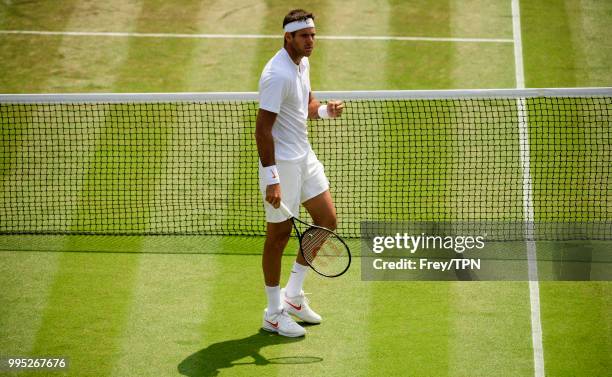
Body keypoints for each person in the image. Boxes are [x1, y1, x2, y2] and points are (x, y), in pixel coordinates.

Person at [255, 9, 344, 337]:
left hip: (304, 157)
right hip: (284, 166)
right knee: (277, 237)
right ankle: (273, 313)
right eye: (304, 36)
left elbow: (306, 106)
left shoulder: (302, 64)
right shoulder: (276, 74)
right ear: (287, 37)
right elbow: (262, 130)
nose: (311, 41)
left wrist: (324, 111)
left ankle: (293, 296)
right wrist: (272, 178)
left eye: (313, 35)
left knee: (327, 220)